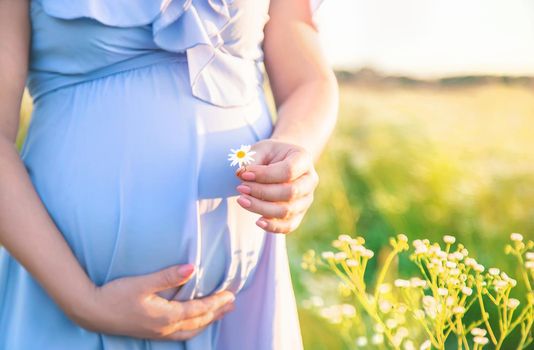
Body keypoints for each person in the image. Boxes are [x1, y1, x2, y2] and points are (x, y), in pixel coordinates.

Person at [0, 0, 338, 349]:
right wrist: (84, 302)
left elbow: (307, 80)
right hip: (62, 305)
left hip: (235, 307)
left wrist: (294, 148)